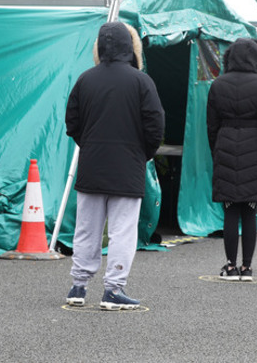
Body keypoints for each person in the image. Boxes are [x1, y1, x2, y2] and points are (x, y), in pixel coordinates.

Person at [64, 21, 165, 310]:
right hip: (128, 168)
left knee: (86, 229)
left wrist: (91, 144)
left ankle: (78, 286)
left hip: (92, 165)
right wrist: (142, 153)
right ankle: (113, 289)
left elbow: (72, 123)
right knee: (123, 230)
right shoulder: (141, 81)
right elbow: (155, 125)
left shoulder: (86, 79)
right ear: (130, 47)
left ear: (99, 46)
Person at [206, 38, 257, 282]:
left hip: (225, 144)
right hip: (256, 148)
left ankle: (230, 267)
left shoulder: (218, 84)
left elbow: (211, 126)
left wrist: (216, 151)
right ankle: (247, 268)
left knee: (230, 209)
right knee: (250, 210)